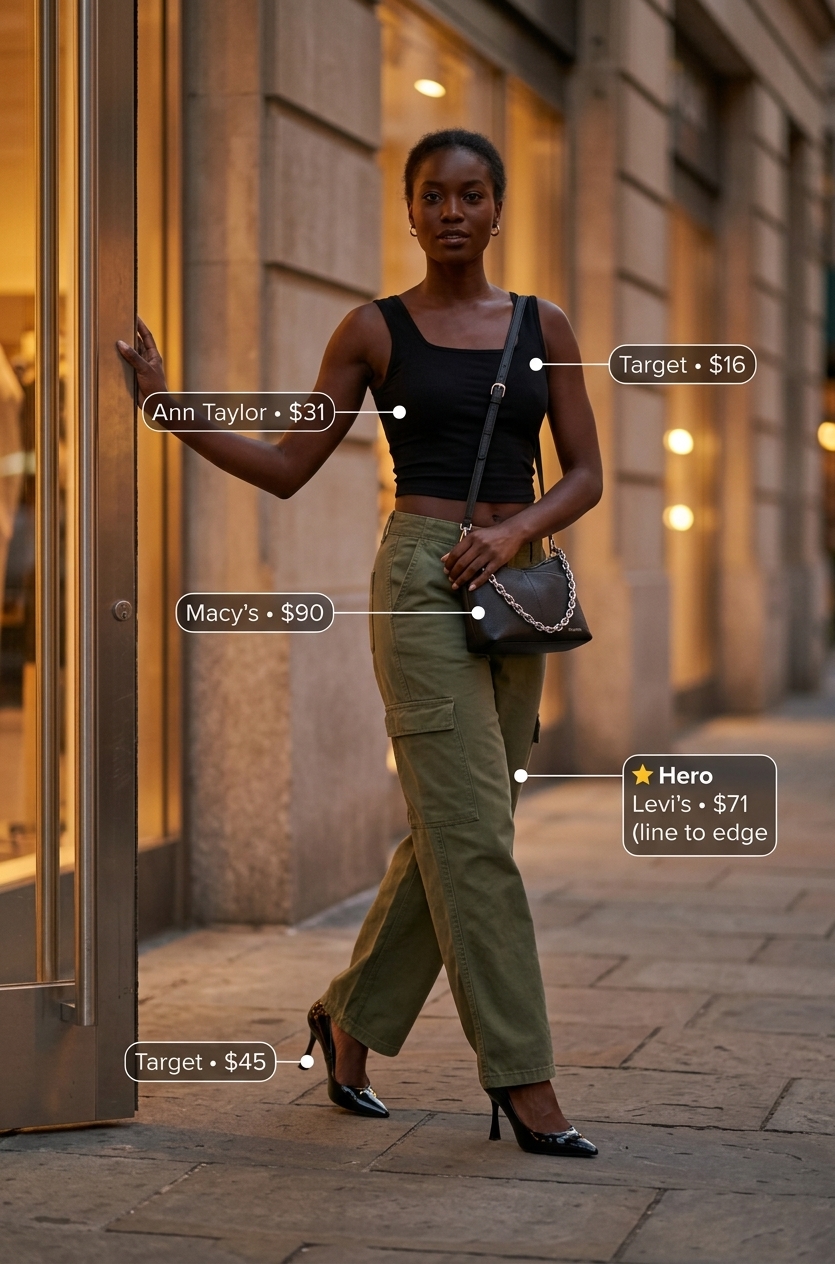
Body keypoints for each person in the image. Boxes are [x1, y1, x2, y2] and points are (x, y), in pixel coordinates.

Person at [119, 128, 602, 1157]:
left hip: (513, 578)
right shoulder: (371, 330)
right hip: (419, 580)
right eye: (433, 196)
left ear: (497, 206)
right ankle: (523, 1076)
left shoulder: (541, 324)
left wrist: (516, 528)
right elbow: (293, 461)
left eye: (472, 194)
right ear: (409, 210)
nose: (453, 212)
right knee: (472, 833)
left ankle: (348, 1020)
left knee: (459, 828)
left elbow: (584, 472)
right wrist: (170, 409)